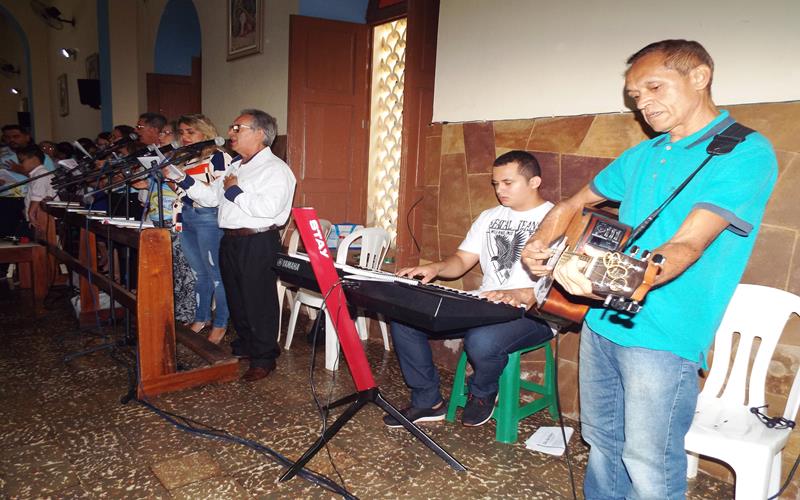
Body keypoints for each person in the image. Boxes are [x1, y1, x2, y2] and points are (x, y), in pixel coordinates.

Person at [508, 40, 777, 499]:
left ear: (700, 76)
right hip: (601, 324)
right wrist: (540, 244)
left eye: (654, 87)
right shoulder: (645, 153)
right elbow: (572, 203)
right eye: (635, 96)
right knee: (602, 444)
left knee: (649, 463)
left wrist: (603, 278)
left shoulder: (745, 153)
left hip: (665, 335)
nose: (643, 104)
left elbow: (686, 245)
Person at [384, 150, 555, 428]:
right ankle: (428, 402)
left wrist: (522, 293)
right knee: (405, 319)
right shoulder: (489, 217)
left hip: (535, 312)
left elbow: (564, 282)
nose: (499, 190)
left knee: (481, 340)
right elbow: (462, 261)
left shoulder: (558, 220)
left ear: (534, 182)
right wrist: (436, 268)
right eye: (495, 183)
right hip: (485, 304)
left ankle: (483, 392)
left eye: (507, 183)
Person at [170, 109, 295, 382]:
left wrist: (234, 191)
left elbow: (269, 209)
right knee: (238, 299)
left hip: (258, 240)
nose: (230, 133)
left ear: (260, 133)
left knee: (258, 300)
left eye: (238, 128)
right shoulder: (236, 166)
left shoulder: (276, 169)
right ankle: (248, 345)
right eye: (232, 127)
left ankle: (264, 358)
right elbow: (210, 198)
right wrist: (182, 178)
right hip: (230, 239)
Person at [172, 114, 232, 344]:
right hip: (186, 215)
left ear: (205, 132)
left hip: (208, 217)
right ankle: (201, 318)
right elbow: (181, 190)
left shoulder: (218, 156)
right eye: (182, 132)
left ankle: (221, 323)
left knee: (217, 275)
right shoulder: (185, 159)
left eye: (191, 132)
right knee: (199, 273)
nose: (185, 137)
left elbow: (219, 190)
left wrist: (187, 182)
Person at [16, 145, 57, 239]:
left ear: (34, 159)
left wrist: (31, 214)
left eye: (22, 161)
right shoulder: (36, 174)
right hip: (40, 215)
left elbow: (37, 196)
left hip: (45, 218)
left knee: (46, 244)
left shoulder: (41, 173)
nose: (20, 164)